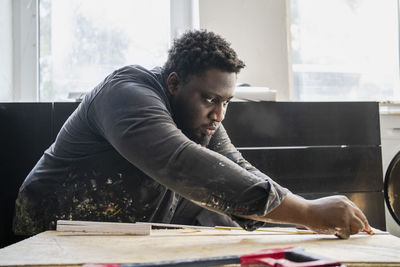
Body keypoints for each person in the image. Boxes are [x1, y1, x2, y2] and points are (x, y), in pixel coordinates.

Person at [13, 30, 372, 239]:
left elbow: (237, 167)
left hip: (117, 237)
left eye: (227, 101)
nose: (218, 113)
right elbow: (185, 164)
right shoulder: (126, 95)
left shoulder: (200, 118)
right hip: (47, 231)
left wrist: (304, 212)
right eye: (210, 99)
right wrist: (306, 212)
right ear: (174, 83)